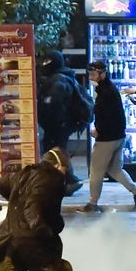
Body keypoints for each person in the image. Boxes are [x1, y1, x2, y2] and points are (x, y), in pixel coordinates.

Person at [82, 61, 136, 213]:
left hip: (107, 138)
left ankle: (92, 204)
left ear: (102, 74)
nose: (91, 77)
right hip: (118, 136)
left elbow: (106, 116)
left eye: (94, 74)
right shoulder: (108, 89)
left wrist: (98, 131)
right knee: (115, 169)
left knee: (96, 170)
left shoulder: (105, 92)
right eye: (90, 74)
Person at [37, 51, 90, 195]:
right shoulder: (64, 77)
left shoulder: (57, 81)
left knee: (55, 153)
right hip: (62, 124)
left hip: (57, 125)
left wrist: (51, 121)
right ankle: (66, 181)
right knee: (58, 152)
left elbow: (53, 104)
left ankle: (69, 180)